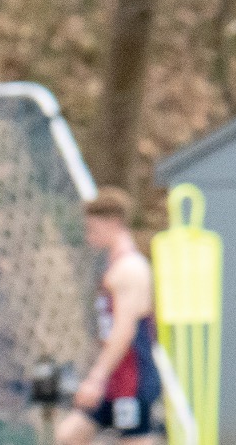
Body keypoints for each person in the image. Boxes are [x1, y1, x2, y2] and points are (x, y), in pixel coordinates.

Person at [57, 189, 159, 445]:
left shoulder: (131, 268)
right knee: (69, 436)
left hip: (131, 380)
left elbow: (124, 332)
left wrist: (95, 378)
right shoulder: (112, 265)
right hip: (113, 379)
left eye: (93, 227)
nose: (89, 234)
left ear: (113, 223)